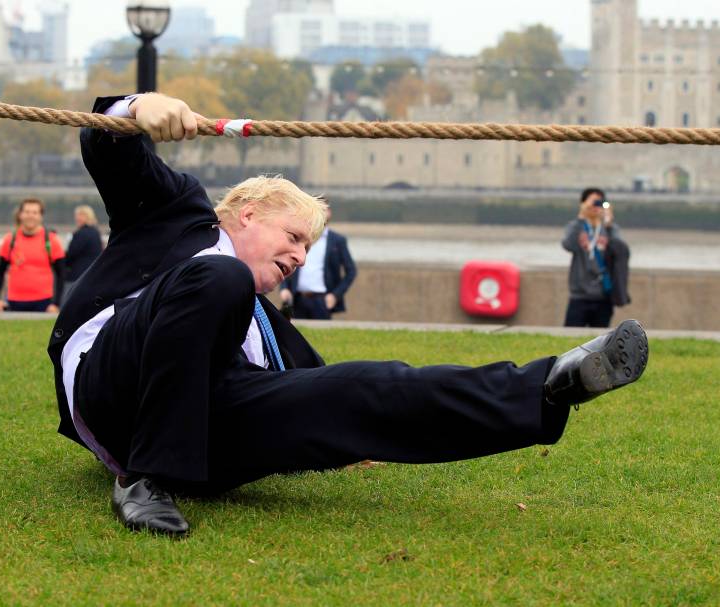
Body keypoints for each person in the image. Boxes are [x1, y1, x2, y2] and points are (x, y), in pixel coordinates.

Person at [49, 93, 649, 536]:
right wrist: (135, 108)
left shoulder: (267, 326)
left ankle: (547, 387)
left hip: (213, 432)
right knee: (222, 277)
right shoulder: (180, 217)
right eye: (293, 236)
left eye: (308, 247)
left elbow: (330, 392)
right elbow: (107, 147)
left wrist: (344, 424)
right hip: (113, 382)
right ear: (249, 213)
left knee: (367, 383)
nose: (300, 256)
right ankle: (145, 478)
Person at [561, 188, 626, 328]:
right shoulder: (576, 227)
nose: (596, 206)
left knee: (600, 340)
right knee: (571, 336)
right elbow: (568, 245)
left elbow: (619, 252)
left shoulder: (609, 229)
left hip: (603, 295)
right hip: (579, 296)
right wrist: (581, 218)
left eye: (599, 202)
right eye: (592, 202)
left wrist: (609, 224)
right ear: (583, 204)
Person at [279, 205, 357, 319]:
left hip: (322, 301)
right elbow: (286, 261)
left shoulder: (337, 241)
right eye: (317, 209)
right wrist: (284, 287)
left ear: (329, 213)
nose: (321, 213)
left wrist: (335, 295)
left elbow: (351, 271)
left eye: (324, 209)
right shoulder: (298, 237)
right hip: (296, 299)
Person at [0, 198, 66, 313]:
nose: (30, 216)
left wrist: (56, 303)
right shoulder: (9, 240)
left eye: (35, 212)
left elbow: (61, 274)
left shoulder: (51, 240)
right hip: (14, 301)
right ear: (20, 214)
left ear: (41, 216)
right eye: (27, 212)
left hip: (44, 303)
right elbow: (0, 272)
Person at [62, 205, 103, 304]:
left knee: (70, 303)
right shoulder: (96, 232)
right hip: (92, 274)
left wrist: (61, 263)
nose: (78, 218)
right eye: (77, 215)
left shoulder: (81, 234)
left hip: (77, 275)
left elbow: (71, 254)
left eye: (81, 215)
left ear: (88, 216)